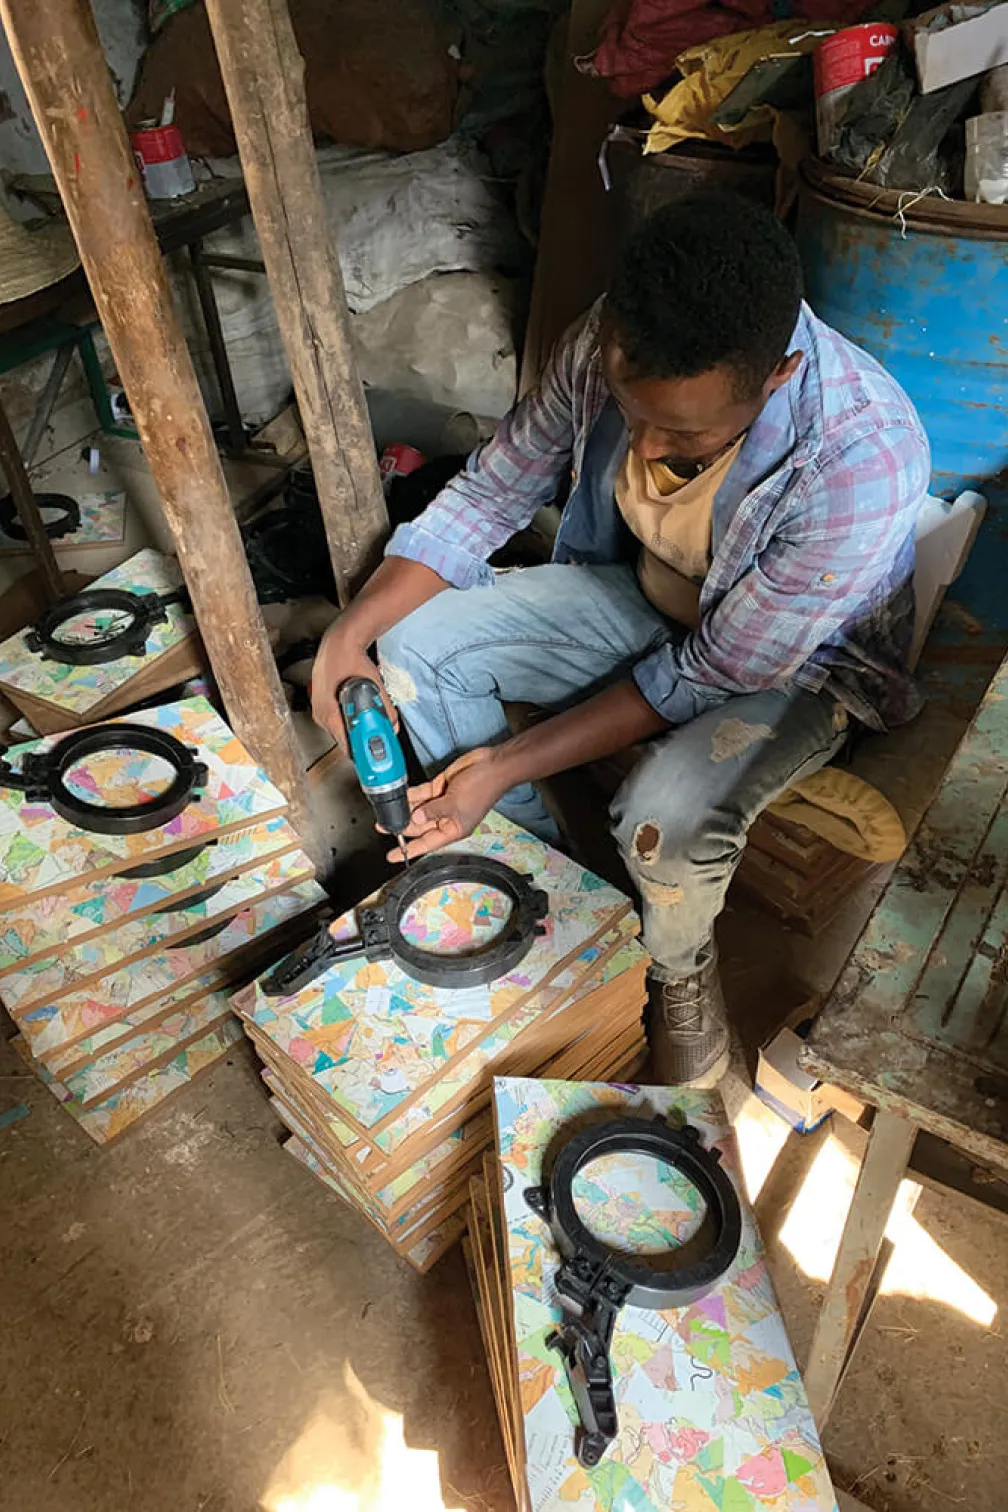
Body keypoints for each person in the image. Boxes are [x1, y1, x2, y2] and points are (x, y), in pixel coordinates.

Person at [312, 190, 930, 1088]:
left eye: (680, 434)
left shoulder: (862, 459)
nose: (641, 444)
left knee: (662, 823)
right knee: (416, 648)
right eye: (630, 412)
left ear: (778, 379)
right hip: (647, 591)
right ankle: (541, 887)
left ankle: (679, 975)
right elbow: (491, 494)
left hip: (797, 664)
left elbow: (713, 671)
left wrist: (506, 761)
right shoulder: (609, 337)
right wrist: (348, 636)